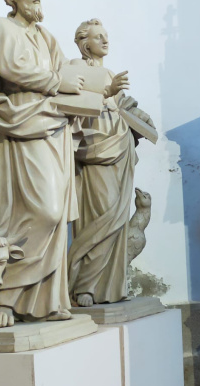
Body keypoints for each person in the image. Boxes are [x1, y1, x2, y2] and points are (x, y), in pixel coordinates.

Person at [0, 0, 93, 326]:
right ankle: (7, 292)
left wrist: (90, 87)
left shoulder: (47, 37)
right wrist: (57, 83)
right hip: (24, 120)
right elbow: (10, 68)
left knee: (56, 220)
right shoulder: (0, 26)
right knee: (44, 210)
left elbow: (66, 73)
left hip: (55, 126)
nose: (37, 2)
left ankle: (47, 300)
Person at [67, 19, 155, 306]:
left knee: (117, 221)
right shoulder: (75, 68)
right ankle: (84, 286)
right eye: (98, 37)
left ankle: (108, 287)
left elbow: (122, 107)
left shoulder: (109, 72)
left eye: (106, 36)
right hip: (95, 148)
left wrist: (140, 118)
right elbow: (72, 104)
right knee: (101, 219)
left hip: (119, 149)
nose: (105, 41)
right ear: (85, 43)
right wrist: (106, 93)